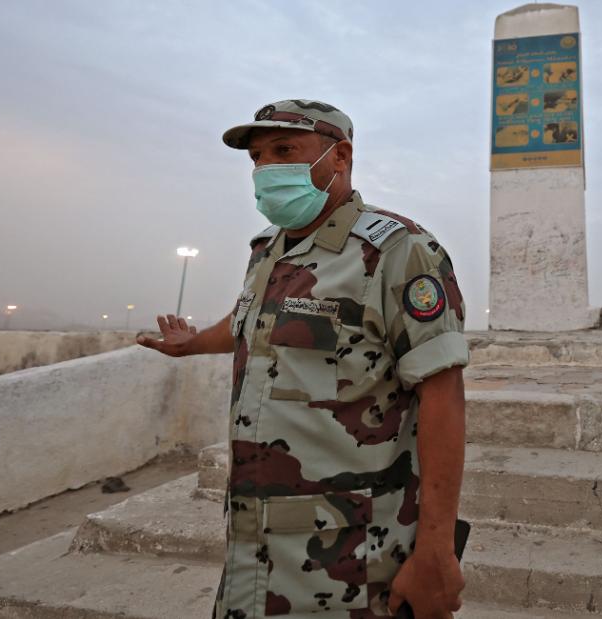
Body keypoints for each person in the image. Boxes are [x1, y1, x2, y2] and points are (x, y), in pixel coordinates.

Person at [137, 99, 467, 619]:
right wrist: (194, 343)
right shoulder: (267, 249)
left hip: (351, 553)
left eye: (285, 150)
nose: (267, 168)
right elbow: (254, 324)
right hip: (253, 542)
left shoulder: (398, 250)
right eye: (258, 158)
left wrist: (436, 549)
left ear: (340, 157)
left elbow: (443, 396)